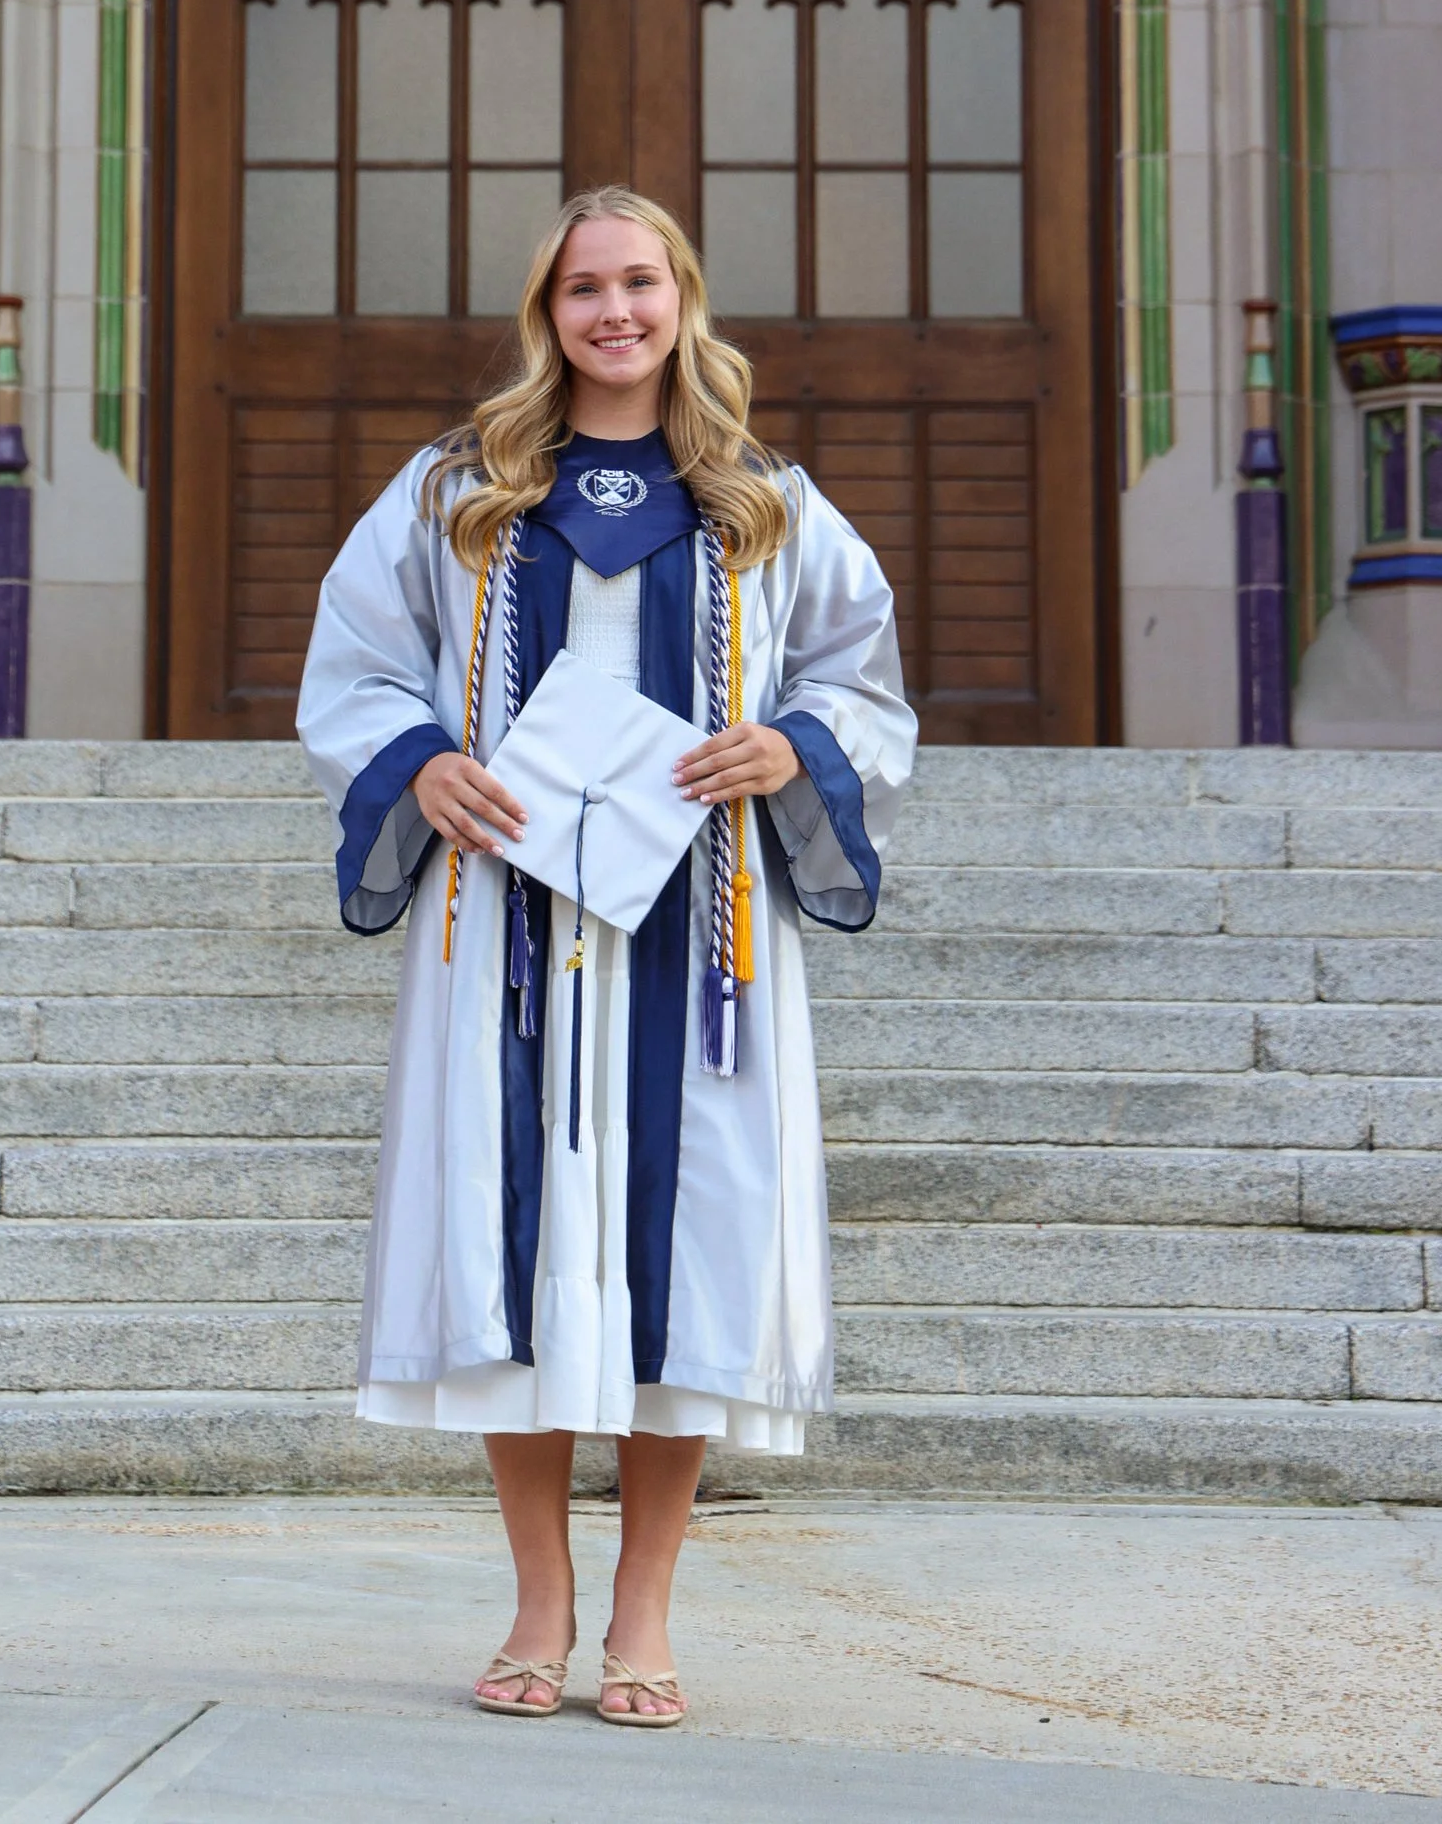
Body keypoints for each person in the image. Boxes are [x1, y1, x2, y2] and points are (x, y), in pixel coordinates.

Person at [296, 185, 915, 1730]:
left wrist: (791, 746)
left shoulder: (763, 502)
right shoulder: (464, 491)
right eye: (586, 288)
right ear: (547, 310)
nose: (615, 312)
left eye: (642, 283)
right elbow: (360, 663)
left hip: (697, 950)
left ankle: (643, 1615)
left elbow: (861, 680)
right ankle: (537, 1602)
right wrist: (422, 760)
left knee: (673, 1266)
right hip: (505, 934)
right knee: (524, 1269)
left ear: (684, 298)